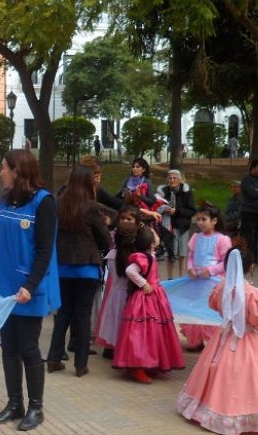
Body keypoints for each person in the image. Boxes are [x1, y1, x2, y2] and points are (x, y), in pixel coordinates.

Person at [177, 247, 258, 435]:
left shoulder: (220, 288)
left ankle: (213, 406)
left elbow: (214, 305)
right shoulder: (253, 294)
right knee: (255, 377)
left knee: (220, 373)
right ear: (250, 268)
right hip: (249, 338)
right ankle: (252, 413)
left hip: (224, 336)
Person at [0, 150, 60, 431]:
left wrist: (30, 285)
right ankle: (14, 403)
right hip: (3, 286)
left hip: (28, 288)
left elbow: (45, 250)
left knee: (29, 348)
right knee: (8, 347)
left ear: (17, 171)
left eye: (4, 168)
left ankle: (36, 408)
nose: (0, 172)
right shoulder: (6, 199)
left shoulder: (44, 202)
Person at [46, 164, 111, 378]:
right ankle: (81, 365)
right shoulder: (92, 208)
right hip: (87, 269)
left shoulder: (57, 205)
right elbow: (106, 240)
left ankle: (54, 359)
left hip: (62, 268)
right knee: (82, 316)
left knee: (63, 313)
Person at [113, 224, 185, 383]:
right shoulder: (143, 258)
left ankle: (148, 363)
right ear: (152, 243)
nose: (157, 237)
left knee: (152, 332)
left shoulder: (149, 255)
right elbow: (130, 271)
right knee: (143, 332)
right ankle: (138, 366)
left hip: (154, 298)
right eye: (154, 236)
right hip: (145, 300)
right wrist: (143, 283)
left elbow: (155, 243)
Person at [181, 205, 232, 351]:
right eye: (198, 220)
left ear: (214, 221)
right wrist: (190, 267)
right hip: (196, 281)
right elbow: (190, 256)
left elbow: (225, 262)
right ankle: (195, 340)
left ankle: (213, 339)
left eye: (204, 219)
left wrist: (210, 270)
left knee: (210, 310)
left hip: (212, 283)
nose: (200, 223)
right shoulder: (196, 237)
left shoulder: (222, 239)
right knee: (195, 308)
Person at [95, 211, 142, 360]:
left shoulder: (112, 255)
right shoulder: (135, 257)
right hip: (128, 295)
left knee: (113, 321)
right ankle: (123, 350)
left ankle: (111, 347)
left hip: (114, 294)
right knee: (124, 322)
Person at [155, 169, 196, 279]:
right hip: (169, 228)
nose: (172, 180)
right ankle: (170, 278)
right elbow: (157, 206)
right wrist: (162, 210)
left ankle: (181, 277)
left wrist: (176, 211)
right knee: (170, 254)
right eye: (170, 178)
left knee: (182, 254)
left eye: (175, 178)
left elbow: (192, 211)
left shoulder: (186, 192)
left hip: (182, 227)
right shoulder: (164, 191)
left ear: (180, 180)